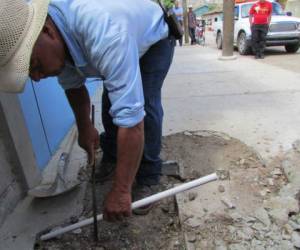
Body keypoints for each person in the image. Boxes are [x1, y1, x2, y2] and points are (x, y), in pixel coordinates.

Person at [0, 0, 175, 221]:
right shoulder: (54, 36)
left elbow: (132, 122)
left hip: (154, 40)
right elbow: (73, 87)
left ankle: (149, 176)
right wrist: (84, 127)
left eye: (34, 65)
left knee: (143, 107)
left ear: (47, 31)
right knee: (111, 104)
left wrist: (121, 191)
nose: (35, 77)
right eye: (28, 73)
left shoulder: (104, 31)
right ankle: (112, 158)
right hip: (120, 38)